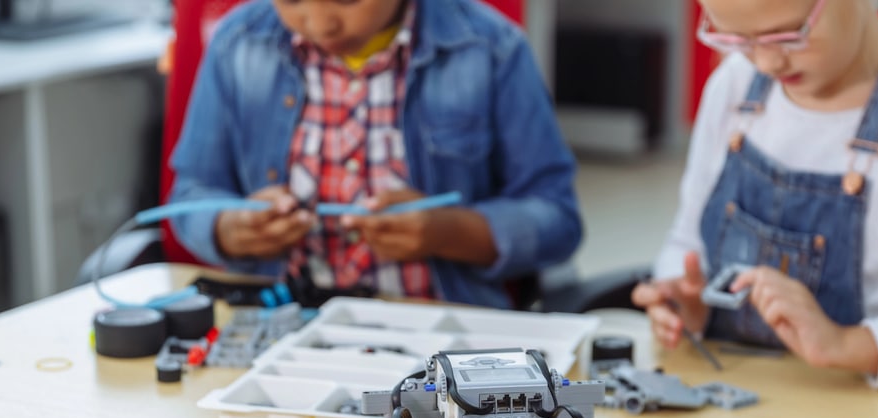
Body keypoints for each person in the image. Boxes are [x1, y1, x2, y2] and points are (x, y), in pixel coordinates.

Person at [631, 0, 878, 388]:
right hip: (733, 392)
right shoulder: (734, 86)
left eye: (787, 35)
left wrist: (848, 344)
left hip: (871, 412)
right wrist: (686, 300)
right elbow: (685, 242)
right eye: (737, 39)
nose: (766, 63)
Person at [168, 0, 582, 309]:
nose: (320, 22)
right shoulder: (235, 43)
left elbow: (558, 218)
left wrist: (450, 232)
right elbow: (190, 195)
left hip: (439, 333)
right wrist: (228, 227)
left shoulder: (492, 49)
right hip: (277, 323)